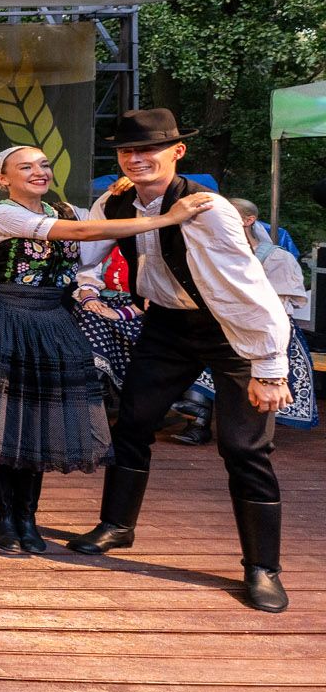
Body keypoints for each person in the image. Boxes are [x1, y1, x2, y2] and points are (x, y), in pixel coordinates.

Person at [0, 145, 209, 554]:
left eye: (44, 164)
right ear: (3, 179)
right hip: (3, 318)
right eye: (25, 167)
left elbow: (94, 239)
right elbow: (79, 234)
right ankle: (3, 516)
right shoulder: (0, 213)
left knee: (37, 420)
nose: (39, 171)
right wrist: (168, 217)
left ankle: (26, 517)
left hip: (49, 322)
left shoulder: (68, 211)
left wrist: (116, 195)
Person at [65, 110, 295, 612]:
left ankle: (263, 568)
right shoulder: (116, 200)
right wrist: (1, 254)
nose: (136, 158)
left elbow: (246, 288)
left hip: (231, 330)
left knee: (244, 448)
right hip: (168, 326)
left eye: (148, 149)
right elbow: (83, 253)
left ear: (177, 152)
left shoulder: (208, 209)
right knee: (132, 423)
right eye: (127, 151)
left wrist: (269, 367)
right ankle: (117, 525)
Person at [171, 198, 317, 444]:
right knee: (194, 347)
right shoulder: (207, 254)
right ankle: (197, 421)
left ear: (249, 221)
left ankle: (251, 435)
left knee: (251, 361)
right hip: (221, 324)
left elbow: (279, 307)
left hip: (266, 328)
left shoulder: (276, 258)